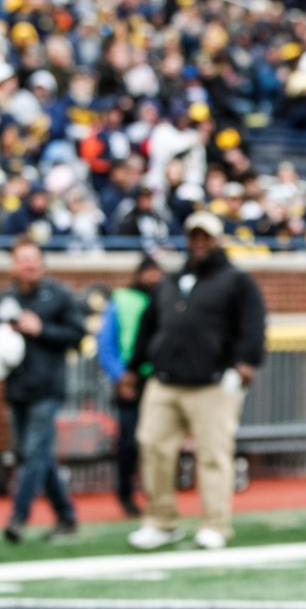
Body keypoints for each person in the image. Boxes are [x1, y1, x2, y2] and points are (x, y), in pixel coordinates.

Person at [120, 210, 267, 551]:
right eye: (193, 236)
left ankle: (216, 524)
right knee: (153, 447)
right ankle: (161, 521)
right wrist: (133, 368)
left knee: (214, 454)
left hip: (213, 383)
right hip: (164, 380)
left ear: (217, 240)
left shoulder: (236, 281)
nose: (199, 242)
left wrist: (247, 362)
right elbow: (148, 326)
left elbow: (253, 324)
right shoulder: (171, 280)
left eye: (206, 236)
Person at [1, 239, 86, 543]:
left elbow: (78, 334)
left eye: (33, 259)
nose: (28, 265)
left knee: (33, 454)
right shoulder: (7, 299)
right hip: (17, 389)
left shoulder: (59, 295)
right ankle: (66, 516)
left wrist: (42, 329)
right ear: (14, 265)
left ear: (42, 264)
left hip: (47, 388)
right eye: (22, 260)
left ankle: (17, 519)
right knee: (35, 454)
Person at [97, 254, 163, 519]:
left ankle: (156, 495)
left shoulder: (166, 298)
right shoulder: (122, 300)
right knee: (128, 442)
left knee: (158, 442)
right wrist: (120, 376)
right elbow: (106, 343)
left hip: (159, 380)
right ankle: (126, 495)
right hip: (130, 380)